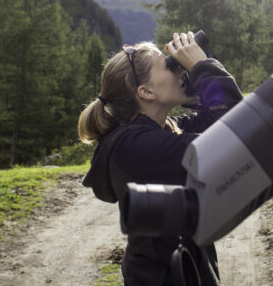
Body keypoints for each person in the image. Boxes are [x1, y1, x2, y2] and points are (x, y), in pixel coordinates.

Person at [79, 31, 243, 286]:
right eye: (169, 67)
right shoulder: (137, 146)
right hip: (167, 277)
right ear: (145, 91)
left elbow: (220, 118)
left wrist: (198, 73)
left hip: (178, 270)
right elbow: (237, 136)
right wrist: (200, 66)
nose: (179, 72)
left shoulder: (158, 131)